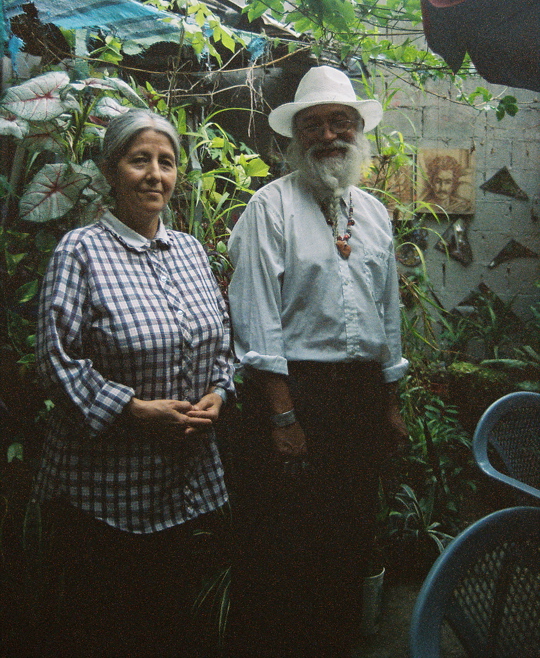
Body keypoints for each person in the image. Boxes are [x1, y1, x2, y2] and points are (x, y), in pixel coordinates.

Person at [34, 110, 235, 658]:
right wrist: (131, 408)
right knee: (106, 625)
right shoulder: (80, 250)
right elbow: (56, 357)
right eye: (138, 159)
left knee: (168, 621)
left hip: (182, 479)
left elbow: (222, 343)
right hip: (105, 486)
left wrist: (219, 391)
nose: (154, 174)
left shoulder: (191, 252)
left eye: (165, 163)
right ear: (110, 169)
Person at [226, 65, 409, 658]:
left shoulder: (375, 213)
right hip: (294, 395)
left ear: (357, 130)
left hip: (358, 397)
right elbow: (256, 318)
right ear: (296, 137)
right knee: (285, 543)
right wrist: (282, 418)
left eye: (340, 122)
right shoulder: (270, 208)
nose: (329, 135)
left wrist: (389, 403)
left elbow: (389, 319)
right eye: (314, 125)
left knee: (349, 534)